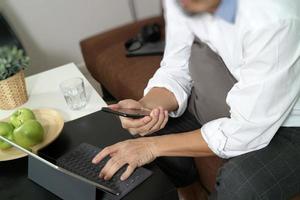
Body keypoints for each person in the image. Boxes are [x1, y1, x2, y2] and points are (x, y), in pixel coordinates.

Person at [92, 0, 300, 199]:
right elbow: (176, 67)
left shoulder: (274, 18)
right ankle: (191, 194)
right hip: (246, 90)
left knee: (240, 183)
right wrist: (145, 108)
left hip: (292, 121)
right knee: (154, 125)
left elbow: (246, 129)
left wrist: (151, 147)